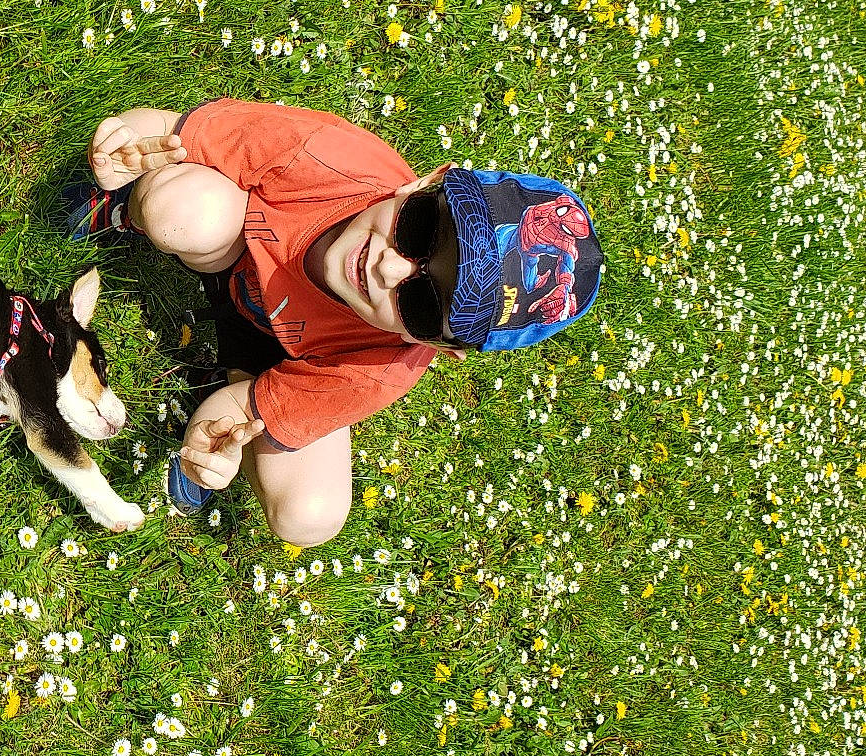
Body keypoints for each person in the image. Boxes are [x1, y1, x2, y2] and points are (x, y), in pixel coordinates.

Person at [63, 97, 603, 545]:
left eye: (420, 304)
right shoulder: (327, 158)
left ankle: (236, 390)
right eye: (418, 229)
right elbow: (170, 130)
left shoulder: (382, 367)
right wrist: (124, 147)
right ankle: (117, 212)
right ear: (425, 183)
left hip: (283, 357)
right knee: (181, 209)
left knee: (309, 517)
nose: (388, 266)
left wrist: (217, 436)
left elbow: (245, 411)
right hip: (230, 243)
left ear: (439, 348)